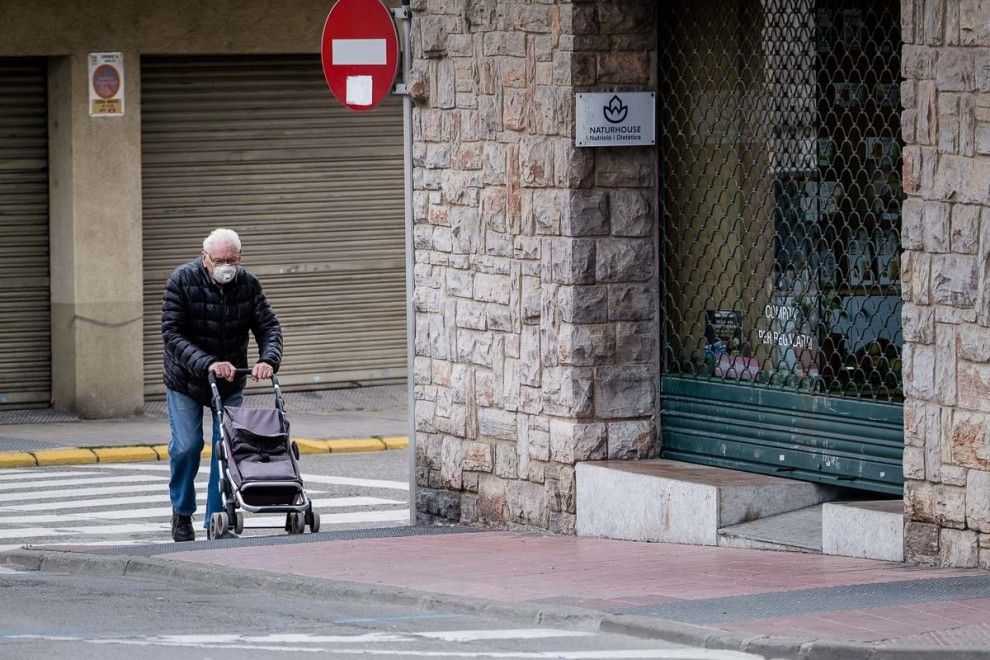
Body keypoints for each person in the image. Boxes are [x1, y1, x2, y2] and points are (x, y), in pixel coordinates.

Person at [161, 228, 282, 542]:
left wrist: (268, 359)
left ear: (239, 259)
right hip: (186, 379)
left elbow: (268, 325)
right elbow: (172, 334)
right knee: (186, 446)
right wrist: (207, 363)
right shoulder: (181, 281)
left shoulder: (248, 285)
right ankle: (181, 513)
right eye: (219, 260)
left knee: (226, 448)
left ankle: (218, 520)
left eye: (232, 260)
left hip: (228, 383)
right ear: (205, 258)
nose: (226, 266)